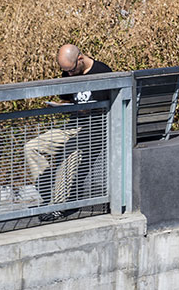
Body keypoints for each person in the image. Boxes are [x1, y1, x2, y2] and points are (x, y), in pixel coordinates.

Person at [24, 44, 114, 217]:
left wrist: (89, 110)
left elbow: (109, 107)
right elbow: (67, 99)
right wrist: (61, 105)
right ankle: (49, 196)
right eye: (66, 71)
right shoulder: (68, 72)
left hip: (95, 129)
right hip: (72, 126)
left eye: (71, 71)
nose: (69, 75)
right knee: (31, 147)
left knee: (69, 153)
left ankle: (58, 206)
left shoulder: (102, 72)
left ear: (80, 59)